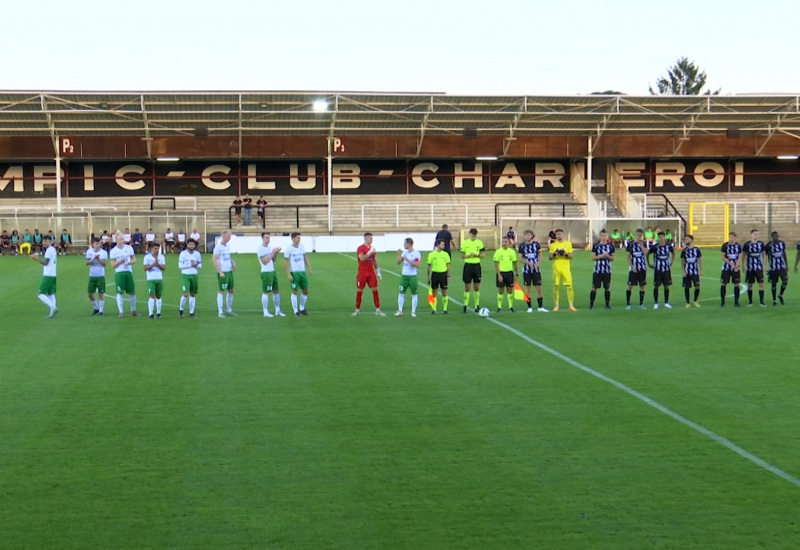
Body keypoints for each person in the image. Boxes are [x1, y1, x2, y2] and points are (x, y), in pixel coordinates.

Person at [353, 232, 385, 316]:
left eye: (372, 238)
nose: (371, 240)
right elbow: (362, 258)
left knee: (375, 291)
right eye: (370, 238)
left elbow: (374, 260)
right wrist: (370, 252)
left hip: (371, 273)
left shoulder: (373, 249)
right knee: (360, 291)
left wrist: (378, 271)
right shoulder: (360, 248)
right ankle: (357, 310)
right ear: (366, 238)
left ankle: (378, 309)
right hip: (362, 273)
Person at [517, 229, 548, 313]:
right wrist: (528, 263)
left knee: (538, 287)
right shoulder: (522, 246)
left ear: (532, 236)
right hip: (526, 271)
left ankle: (540, 307)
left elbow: (541, 255)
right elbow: (520, 258)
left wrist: (538, 263)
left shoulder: (537, 245)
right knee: (527, 288)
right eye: (525, 235)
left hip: (536, 270)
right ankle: (529, 307)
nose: (527, 237)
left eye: (528, 235)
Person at [257, 232, 286, 318]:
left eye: (269, 237)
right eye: (266, 237)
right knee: (266, 292)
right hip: (266, 272)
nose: (268, 239)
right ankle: (265, 311)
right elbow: (264, 262)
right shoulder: (260, 249)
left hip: (272, 271)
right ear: (262, 238)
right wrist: (272, 253)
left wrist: (275, 253)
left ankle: (277, 310)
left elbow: (272, 260)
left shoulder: (269, 247)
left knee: (276, 291)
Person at [283, 232, 312, 316]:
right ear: (293, 238)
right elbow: (285, 261)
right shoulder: (289, 249)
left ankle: (302, 308)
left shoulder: (302, 247)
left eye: (300, 238)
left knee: (306, 290)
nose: (299, 239)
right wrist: (288, 274)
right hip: (294, 272)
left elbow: (304, 257)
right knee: (295, 290)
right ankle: (296, 310)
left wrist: (309, 267)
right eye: (298, 238)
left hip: (302, 272)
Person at [110, 233, 138, 318]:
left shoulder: (129, 248)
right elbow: (113, 264)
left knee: (132, 292)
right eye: (120, 239)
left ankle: (133, 310)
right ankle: (121, 312)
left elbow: (134, 260)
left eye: (123, 239)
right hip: (119, 273)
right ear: (116, 240)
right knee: (120, 292)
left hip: (128, 272)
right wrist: (121, 260)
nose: (122, 241)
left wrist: (129, 262)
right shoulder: (113, 251)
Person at [548, 229, 576, 311]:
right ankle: (556, 305)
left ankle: (571, 305)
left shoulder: (568, 244)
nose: (558, 236)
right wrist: (554, 253)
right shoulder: (553, 245)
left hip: (566, 268)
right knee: (556, 287)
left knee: (569, 286)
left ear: (562, 234)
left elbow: (571, 256)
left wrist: (565, 254)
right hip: (556, 268)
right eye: (557, 234)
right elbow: (550, 257)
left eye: (559, 234)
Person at [31, 234, 58, 318]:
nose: (44, 242)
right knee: (51, 294)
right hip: (53, 274)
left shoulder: (49, 250)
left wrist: (36, 259)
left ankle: (53, 307)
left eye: (45, 241)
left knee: (39, 294)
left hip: (48, 275)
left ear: (50, 241)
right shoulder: (52, 249)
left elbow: (45, 263)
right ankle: (52, 313)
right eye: (43, 241)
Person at [212, 229, 237, 317]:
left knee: (231, 290)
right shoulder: (218, 247)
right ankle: (220, 311)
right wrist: (220, 271)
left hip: (229, 272)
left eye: (230, 236)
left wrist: (232, 262)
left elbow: (227, 257)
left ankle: (229, 309)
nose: (229, 237)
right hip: (223, 272)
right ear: (223, 236)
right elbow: (214, 260)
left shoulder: (227, 246)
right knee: (221, 291)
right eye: (228, 236)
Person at [460, 228, 484, 313]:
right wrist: (469, 255)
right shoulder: (465, 243)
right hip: (468, 266)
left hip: (477, 266)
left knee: (477, 287)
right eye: (472, 235)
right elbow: (462, 256)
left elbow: (483, 255)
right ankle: (465, 305)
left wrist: (477, 255)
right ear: (469, 234)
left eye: (475, 236)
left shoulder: (479, 243)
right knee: (467, 287)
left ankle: (477, 305)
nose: (473, 237)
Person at [647, 231, 674, 309]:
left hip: (666, 269)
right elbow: (648, 253)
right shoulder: (655, 246)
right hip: (658, 269)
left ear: (664, 237)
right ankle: (656, 303)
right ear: (658, 238)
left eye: (662, 237)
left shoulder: (668, 246)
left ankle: (666, 302)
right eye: (659, 237)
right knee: (656, 286)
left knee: (667, 286)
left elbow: (674, 252)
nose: (661, 238)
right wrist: (649, 263)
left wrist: (671, 262)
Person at [590, 229, 615, 310]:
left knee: (607, 287)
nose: (603, 237)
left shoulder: (610, 246)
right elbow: (593, 257)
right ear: (600, 236)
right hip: (597, 270)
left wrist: (607, 256)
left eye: (605, 235)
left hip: (607, 270)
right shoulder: (596, 246)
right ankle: (591, 304)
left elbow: (613, 258)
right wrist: (601, 256)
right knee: (594, 287)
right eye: (602, 235)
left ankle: (607, 304)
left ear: (607, 236)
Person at [395, 237, 421, 317]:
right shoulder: (405, 252)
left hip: (412, 277)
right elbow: (398, 262)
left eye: (405, 243)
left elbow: (417, 265)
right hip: (404, 276)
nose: (404, 245)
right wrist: (399, 254)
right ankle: (400, 310)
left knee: (414, 294)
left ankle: (413, 312)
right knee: (401, 293)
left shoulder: (416, 253)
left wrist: (408, 260)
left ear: (409, 244)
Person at [178, 238, 203, 318]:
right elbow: (180, 266)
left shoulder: (197, 254)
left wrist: (196, 265)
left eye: (193, 244)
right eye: (190, 244)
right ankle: (181, 310)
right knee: (185, 294)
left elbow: (200, 265)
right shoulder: (183, 253)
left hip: (194, 275)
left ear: (195, 245)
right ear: (187, 244)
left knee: (193, 294)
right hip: (185, 275)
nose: (191, 246)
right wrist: (190, 265)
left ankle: (192, 312)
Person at [494, 236, 518, 312]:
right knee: (501, 290)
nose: (504, 243)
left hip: (509, 273)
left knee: (510, 290)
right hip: (501, 273)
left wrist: (516, 274)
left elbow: (515, 263)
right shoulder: (498, 251)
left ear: (509, 242)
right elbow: (496, 264)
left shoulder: (512, 252)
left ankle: (510, 307)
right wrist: (499, 275)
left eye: (505, 241)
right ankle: (499, 307)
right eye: (503, 241)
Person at [743, 229, 767, 307]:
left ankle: (762, 302)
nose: (756, 236)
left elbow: (764, 255)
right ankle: (750, 302)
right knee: (750, 285)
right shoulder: (747, 245)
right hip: (750, 268)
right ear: (751, 235)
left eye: (757, 234)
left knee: (761, 284)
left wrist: (764, 265)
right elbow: (743, 256)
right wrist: (743, 266)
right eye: (754, 234)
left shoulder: (761, 244)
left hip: (759, 268)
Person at [427, 239, 451, 314]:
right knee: (434, 292)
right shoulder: (431, 254)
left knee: (444, 292)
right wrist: (428, 277)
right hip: (435, 274)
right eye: (442, 244)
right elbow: (429, 266)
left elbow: (448, 265)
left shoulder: (445, 254)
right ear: (437, 245)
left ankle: (445, 309)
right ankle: (434, 309)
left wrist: (448, 276)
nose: (443, 245)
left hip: (443, 274)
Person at [626, 228, 648, 310]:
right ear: (635, 235)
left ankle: (641, 304)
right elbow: (628, 257)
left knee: (642, 286)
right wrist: (632, 266)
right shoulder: (631, 244)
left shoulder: (644, 243)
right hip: (633, 268)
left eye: (640, 235)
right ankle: (628, 303)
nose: (638, 237)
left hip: (642, 268)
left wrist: (641, 245)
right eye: (637, 235)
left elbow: (646, 252)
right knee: (630, 285)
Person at [143, 243, 166, 319]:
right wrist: (153, 263)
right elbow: (145, 268)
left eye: (158, 248)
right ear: (151, 249)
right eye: (155, 248)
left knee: (159, 296)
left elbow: (164, 268)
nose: (157, 250)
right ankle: (151, 314)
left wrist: (158, 263)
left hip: (159, 278)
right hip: (151, 279)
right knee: (152, 296)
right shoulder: (147, 257)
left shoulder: (161, 257)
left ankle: (159, 313)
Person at [85, 237, 107, 316]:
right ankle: (96, 307)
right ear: (93, 244)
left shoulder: (103, 252)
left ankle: (101, 310)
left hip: (100, 275)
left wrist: (99, 259)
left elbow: (104, 264)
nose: (98, 245)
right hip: (92, 275)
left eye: (99, 243)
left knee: (101, 293)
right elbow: (86, 263)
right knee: (90, 294)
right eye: (97, 243)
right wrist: (93, 259)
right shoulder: (89, 252)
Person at [765, 231, 788, 306]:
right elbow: (765, 254)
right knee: (774, 284)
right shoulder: (769, 245)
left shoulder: (782, 243)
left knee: (785, 280)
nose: (777, 237)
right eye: (775, 236)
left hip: (782, 267)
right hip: (773, 268)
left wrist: (786, 265)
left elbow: (784, 253)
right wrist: (766, 266)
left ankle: (780, 294)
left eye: (778, 236)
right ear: (772, 237)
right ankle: (774, 300)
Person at [720, 232, 742, 307]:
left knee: (736, 284)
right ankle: (722, 302)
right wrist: (730, 263)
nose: (730, 239)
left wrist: (736, 265)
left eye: (732, 237)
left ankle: (736, 302)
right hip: (726, 268)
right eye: (729, 237)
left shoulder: (738, 246)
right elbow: (723, 256)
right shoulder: (725, 245)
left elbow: (739, 256)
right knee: (724, 283)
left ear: (735, 237)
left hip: (735, 268)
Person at [681, 235, 703, 307]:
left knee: (697, 286)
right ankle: (688, 302)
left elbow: (700, 260)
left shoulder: (696, 249)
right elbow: (683, 262)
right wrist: (683, 271)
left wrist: (701, 270)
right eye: (685, 239)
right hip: (687, 272)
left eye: (686, 239)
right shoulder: (684, 250)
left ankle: (695, 300)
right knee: (687, 287)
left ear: (691, 240)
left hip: (695, 271)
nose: (685, 240)